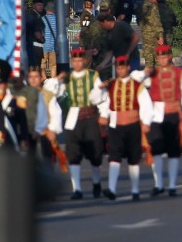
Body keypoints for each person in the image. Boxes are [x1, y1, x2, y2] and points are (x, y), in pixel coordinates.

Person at [145, 45, 182, 197]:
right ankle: (158, 184)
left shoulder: (179, 73)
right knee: (156, 149)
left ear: (170, 57)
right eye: (160, 57)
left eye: (165, 57)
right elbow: (137, 84)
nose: (163, 60)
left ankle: (172, 185)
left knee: (173, 151)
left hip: (174, 113)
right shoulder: (151, 74)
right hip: (156, 115)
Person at [99, 56, 154, 201]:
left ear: (128, 68)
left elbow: (146, 105)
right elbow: (107, 102)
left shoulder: (137, 86)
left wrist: (146, 122)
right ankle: (111, 189)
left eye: (123, 67)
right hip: (116, 126)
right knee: (114, 156)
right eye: (118, 68)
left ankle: (135, 190)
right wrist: (104, 115)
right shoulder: (112, 85)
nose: (121, 70)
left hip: (133, 125)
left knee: (133, 158)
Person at [59, 49, 106, 200]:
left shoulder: (93, 76)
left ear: (84, 61)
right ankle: (77, 189)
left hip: (91, 116)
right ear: (72, 62)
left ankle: (96, 182)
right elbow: (54, 92)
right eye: (75, 61)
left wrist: (104, 115)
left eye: (80, 61)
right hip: (73, 118)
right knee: (73, 153)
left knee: (95, 152)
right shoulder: (67, 79)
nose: (78, 63)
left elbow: (103, 96)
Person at [139, 0, 164, 69]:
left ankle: (148, 79)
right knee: (158, 61)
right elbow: (157, 22)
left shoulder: (142, 6)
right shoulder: (153, 7)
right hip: (154, 36)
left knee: (148, 61)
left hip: (145, 36)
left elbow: (139, 21)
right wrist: (160, 36)